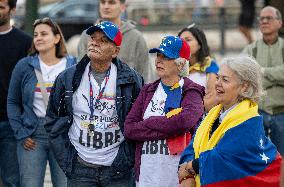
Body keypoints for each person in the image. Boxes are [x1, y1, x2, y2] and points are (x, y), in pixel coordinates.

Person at [44, 21, 143, 187]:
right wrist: (68, 160)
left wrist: (126, 159)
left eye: (103, 40)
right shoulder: (67, 78)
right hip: (79, 168)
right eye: (93, 38)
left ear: (115, 51)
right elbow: (53, 121)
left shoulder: (132, 80)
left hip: (118, 169)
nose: (95, 42)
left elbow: (140, 123)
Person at [178, 56, 282, 187]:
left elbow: (223, 157)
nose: (217, 83)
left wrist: (191, 167)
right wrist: (189, 176)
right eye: (217, 78)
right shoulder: (212, 114)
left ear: (244, 87)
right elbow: (192, 146)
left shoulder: (250, 122)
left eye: (225, 80)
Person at [124, 35, 205, 187]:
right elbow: (129, 129)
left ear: (180, 64)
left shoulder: (191, 91)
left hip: (177, 176)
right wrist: (169, 127)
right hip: (147, 176)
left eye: (166, 57)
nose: (158, 60)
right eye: (158, 55)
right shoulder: (148, 90)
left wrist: (149, 122)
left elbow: (183, 122)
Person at [7, 17, 76, 187]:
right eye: (36, 34)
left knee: (65, 184)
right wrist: (21, 132)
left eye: (44, 34)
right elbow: (13, 101)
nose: (38, 38)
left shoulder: (72, 66)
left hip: (64, 135)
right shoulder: (24, 66)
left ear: (57, 38)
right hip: (33, 134)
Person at [242, 6, 284, 156]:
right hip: (257, 114)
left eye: (269, 18)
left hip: (282, 114)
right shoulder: (250, 50)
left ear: (280, 23)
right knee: (257, 159)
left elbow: (254, 76)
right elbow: (244, 76)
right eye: (261, 18)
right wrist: (277, 78)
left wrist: (262, 71)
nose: (264, 21)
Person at [78, 0, 151, 82]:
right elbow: (80, 70)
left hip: (127, 92)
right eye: (103, 2)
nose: (106, 6)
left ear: (123, 7)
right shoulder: (87, 35)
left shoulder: (136, 37)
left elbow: (145, 73)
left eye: (111, 2)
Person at [0, 0, 32, 186]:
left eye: (1, 7)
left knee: (12, 180)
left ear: (12, 9)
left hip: (10, 123)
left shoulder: (25, 42)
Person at [178, 26, 219, 112]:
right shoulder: (176, 67)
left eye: (188, 40)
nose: (183, 44)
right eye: (180, 41)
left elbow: (212, 98)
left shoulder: (210, 66)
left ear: (200, 44)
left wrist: (188, 111)